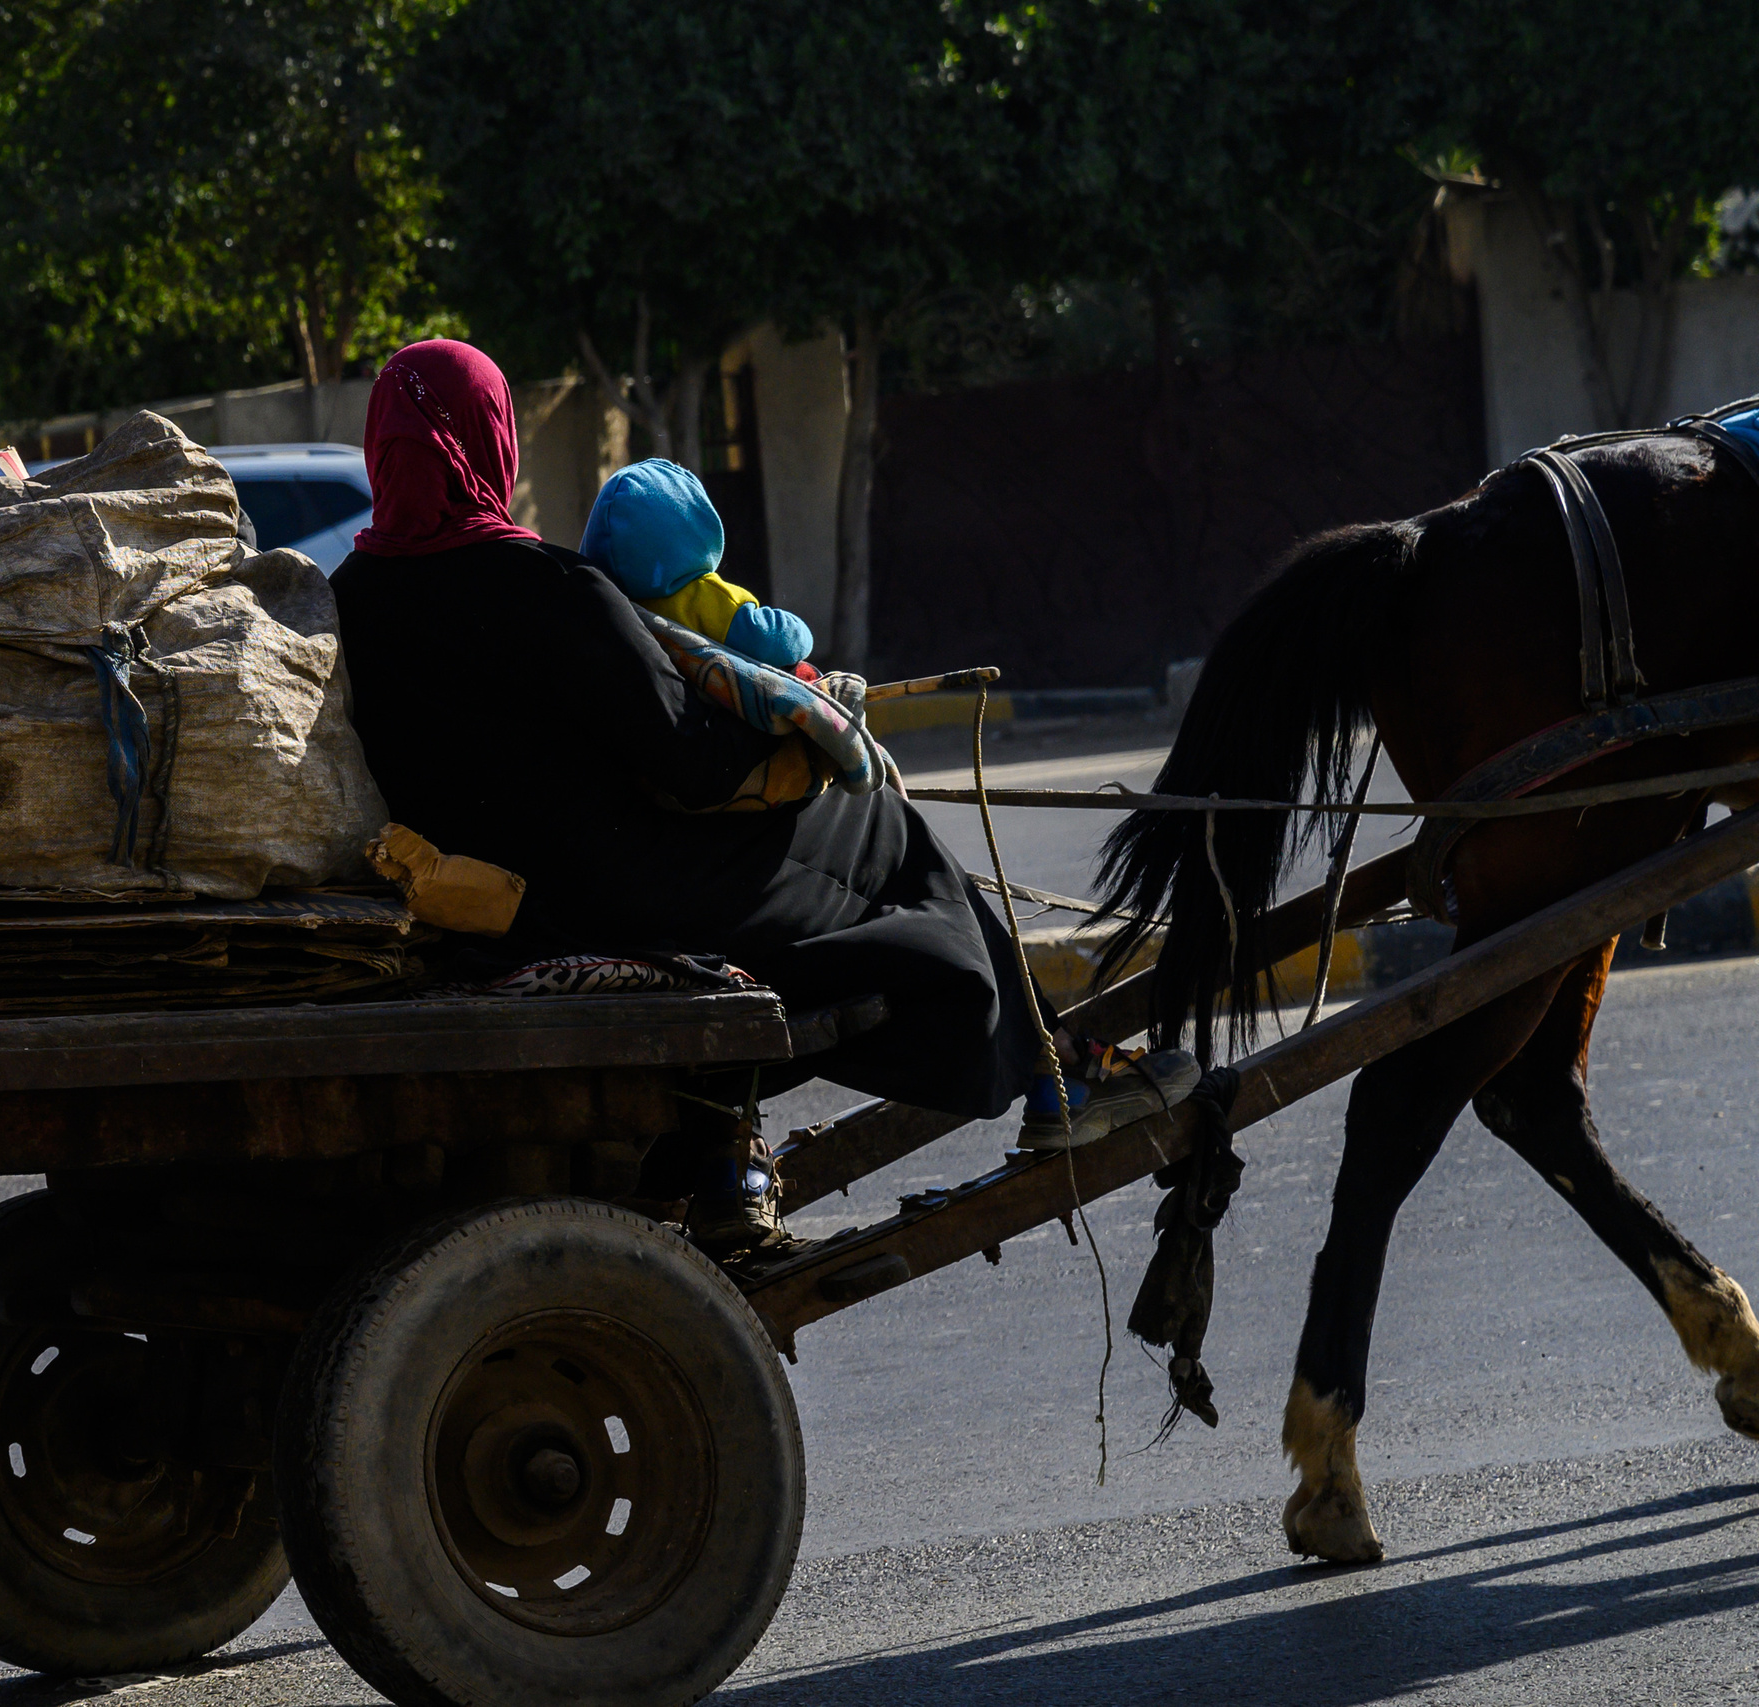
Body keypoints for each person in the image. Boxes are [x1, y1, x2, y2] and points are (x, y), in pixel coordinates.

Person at [330, 339, 1188, 1253]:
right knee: (877, 824)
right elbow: (693, 763)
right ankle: (1056, 1074)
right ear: (490, 438)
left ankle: (733, 1141)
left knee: (847, 846)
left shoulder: (351, 600)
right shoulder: (550, 588)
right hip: (620, 900)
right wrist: (794, 714)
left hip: (491, 911)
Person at [579, 457, 816, 675]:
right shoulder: (701, 598)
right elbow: (771, 640)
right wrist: (801, 632)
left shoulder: (604, 607)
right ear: (695, 521)